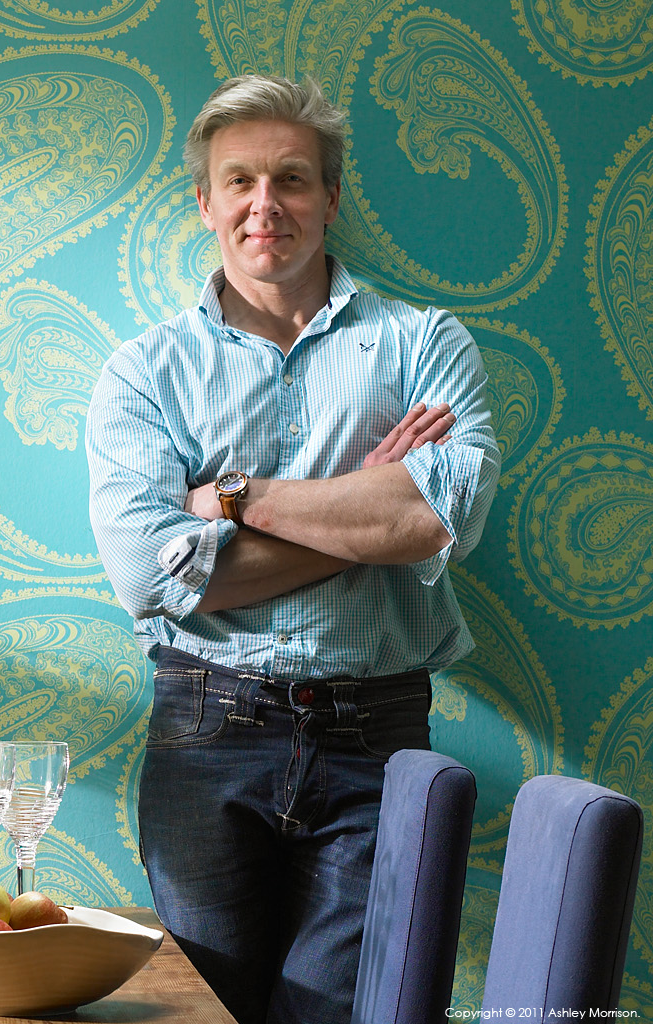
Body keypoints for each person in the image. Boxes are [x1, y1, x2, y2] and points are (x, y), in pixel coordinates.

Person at [86, 75, 500, 1023]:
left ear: (332, 197)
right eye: (240, 180)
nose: (265, 203)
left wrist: (237, 500)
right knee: (207, 1010)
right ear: (206, 203)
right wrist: (368, 510)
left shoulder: (424, 345)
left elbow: (444, 520)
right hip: (205, 729)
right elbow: (148, 574)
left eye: (293, 178)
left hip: (378, 734)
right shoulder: (145, 372)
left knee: (341, 1011)